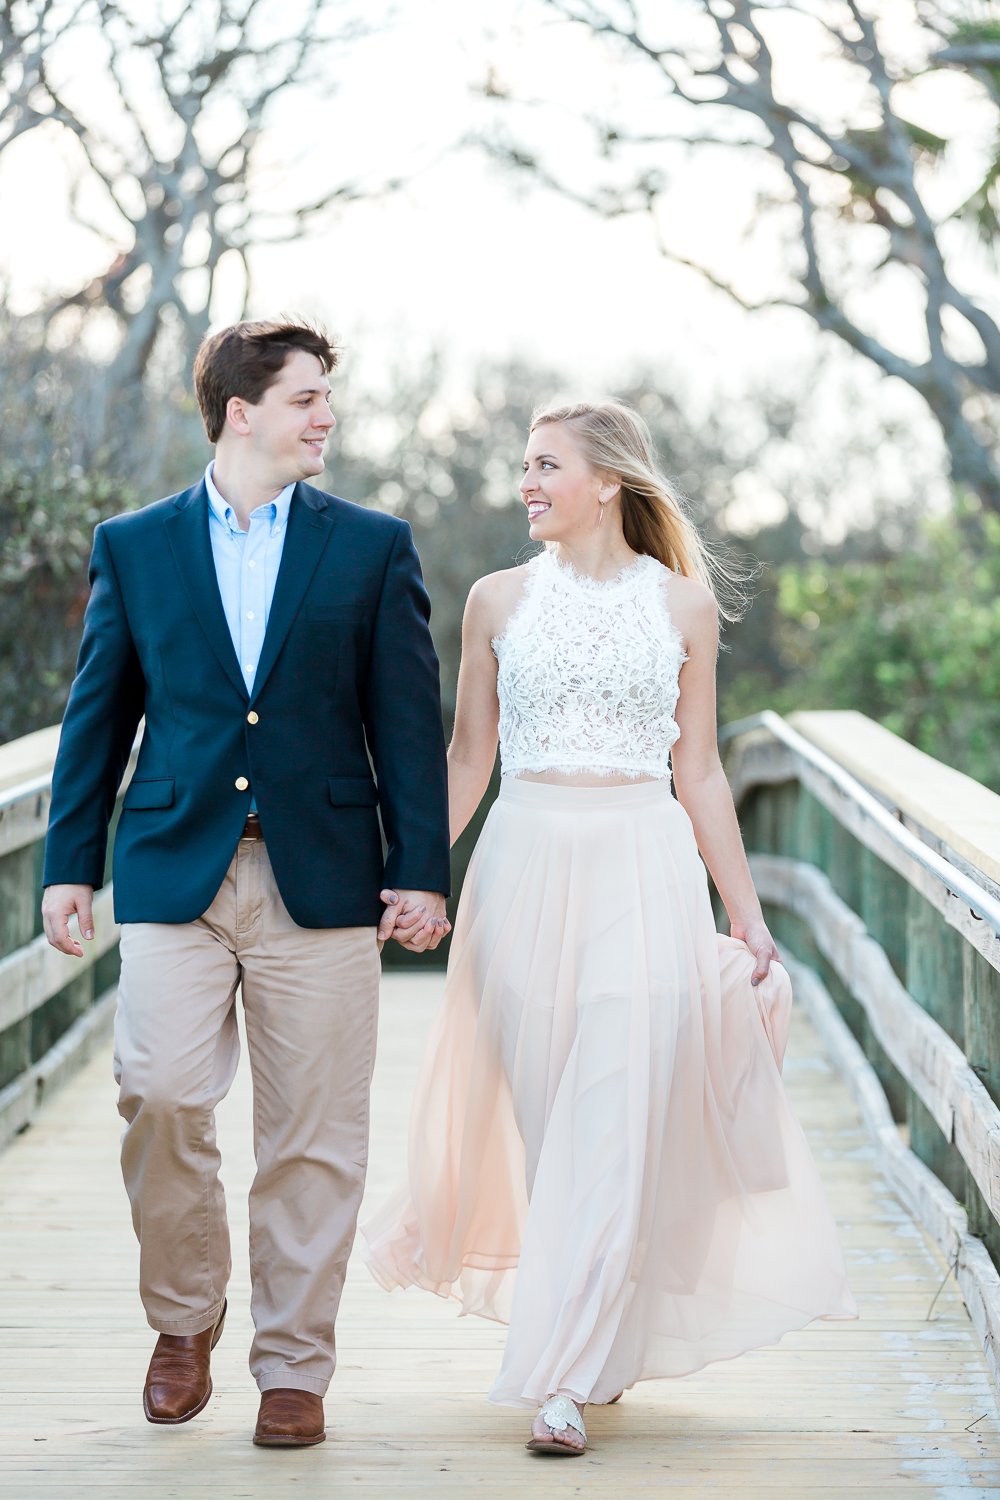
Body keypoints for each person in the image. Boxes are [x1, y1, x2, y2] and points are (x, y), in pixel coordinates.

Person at [362, 398, 856, 1456]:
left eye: (546, 466)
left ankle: (562, 1380)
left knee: (613, 1111)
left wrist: (745, 911)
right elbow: (466, 761)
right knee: (556, 1123)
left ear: (610, 482)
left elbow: (703, 769)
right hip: (523, 865)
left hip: (642, 864)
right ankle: (597, 1336)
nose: (527, 483)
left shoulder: (681, 608)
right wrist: (410, 877)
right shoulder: (496, 602)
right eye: (524, 466)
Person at [41, 319, 452, 1449]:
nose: (326, 416)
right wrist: (68, 863)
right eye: (307, 397)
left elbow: (406, 724)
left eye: (327, 397)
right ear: (241, 411)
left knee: (315, 1133)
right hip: (176, 869)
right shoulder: (135, 544)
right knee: (161, 1092)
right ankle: (186, 1320)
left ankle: (292, 1367)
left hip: (321, 877)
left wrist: (421, 870)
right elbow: (98, 712)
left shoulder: (371, 545)